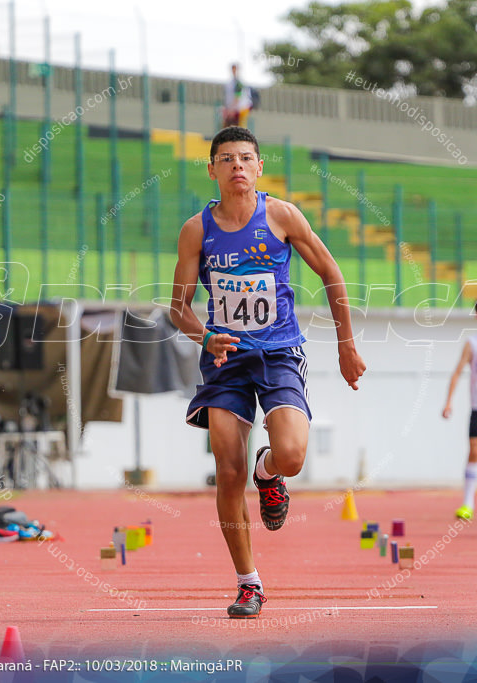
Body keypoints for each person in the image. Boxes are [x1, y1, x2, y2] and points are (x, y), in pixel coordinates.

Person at [169, 126, 365, 619]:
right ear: (212, 169)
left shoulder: (280, 215)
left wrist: (346, 345)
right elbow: (178, 308)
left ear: (259, 167)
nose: (237, 165)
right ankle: (248, 582)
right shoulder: (197, 230)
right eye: (227, 159)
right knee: (227, 473)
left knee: (293, 455)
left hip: (279, 352)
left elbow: (331, 272)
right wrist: (204, 337)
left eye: (246, 158)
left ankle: (269, 470)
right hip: (225, 359)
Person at [442, 296, 477, 520]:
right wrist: (448, 401)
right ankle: (468, 502)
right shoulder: (473, 343)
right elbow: (457, 372)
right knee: (475, 449)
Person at [222, 64, 253, 129]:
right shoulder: (230, 83)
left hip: (242, 108)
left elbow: (237, 97)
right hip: (234, 108)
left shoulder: (238, 83)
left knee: (241, 125)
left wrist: (231, 110)